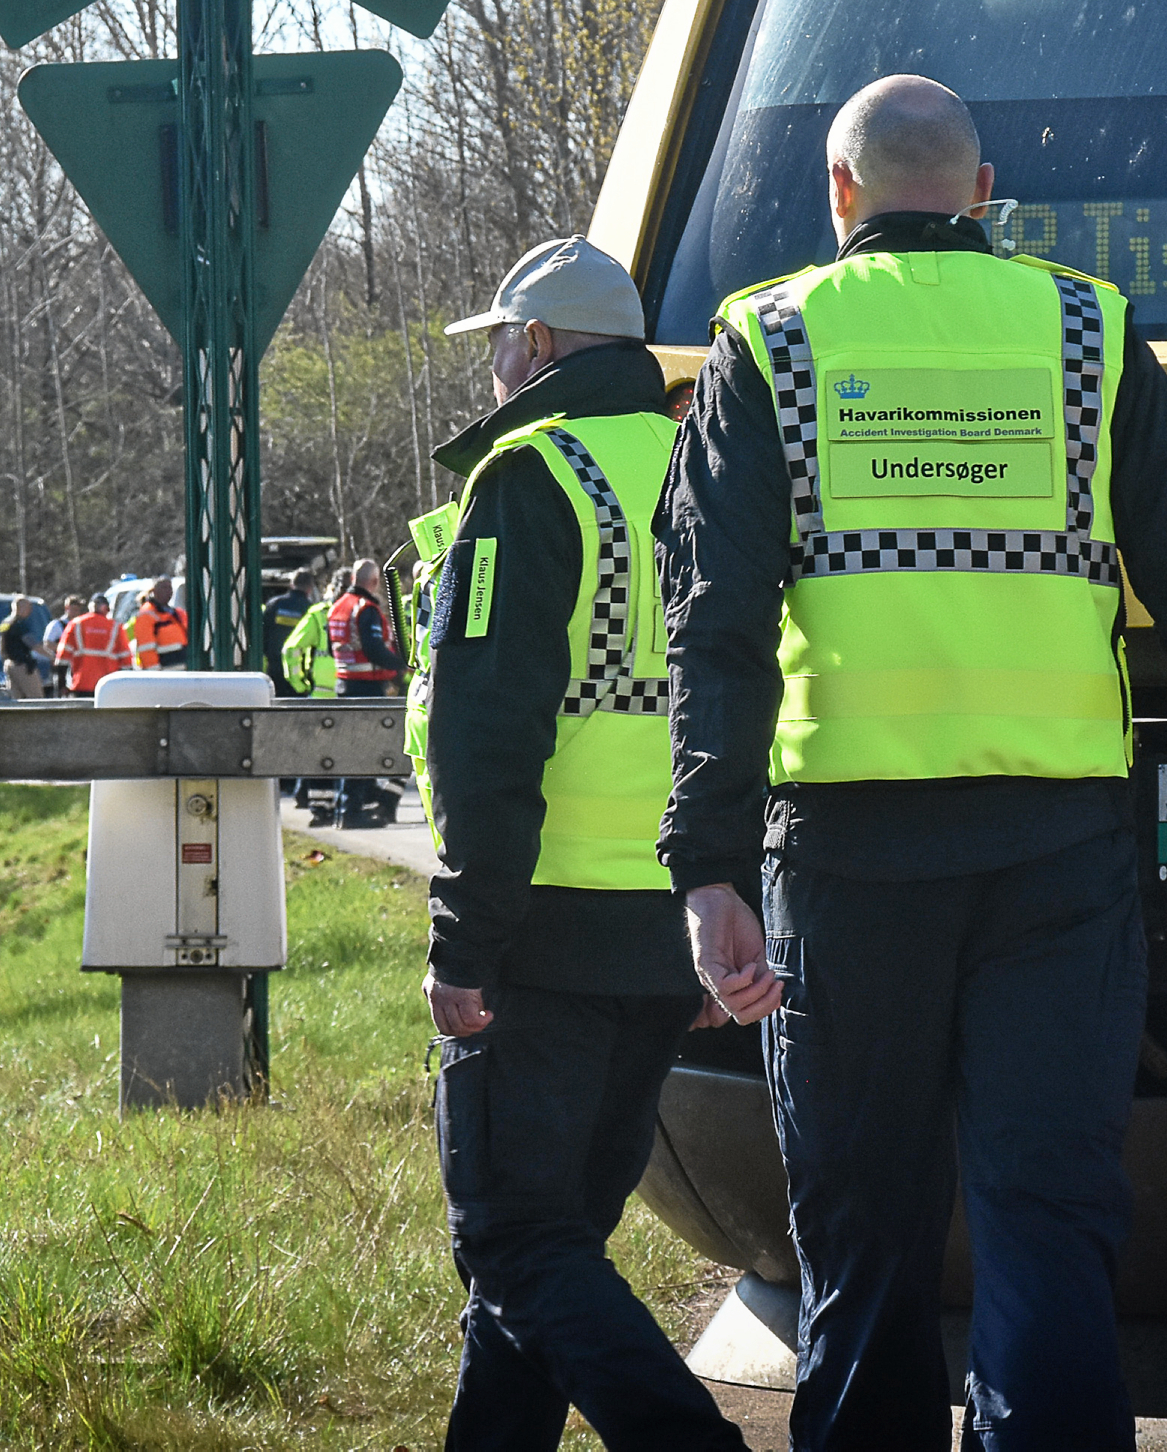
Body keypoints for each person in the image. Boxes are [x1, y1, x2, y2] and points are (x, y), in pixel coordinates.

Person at [657, 77, 1167, 1451]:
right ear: (981, 192)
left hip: (841, 867)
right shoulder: (1086, 328)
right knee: (1046, 1226)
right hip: (1059, 863)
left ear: (839, 193)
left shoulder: (768, 338)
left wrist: (708, 866)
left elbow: (713, 632)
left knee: (861, 1236)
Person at [416, 237, 752, 1452]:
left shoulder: (533, 474)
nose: (496, 365)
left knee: (515, 1239)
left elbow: (488, 737)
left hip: (542, 930)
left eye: (502, 340)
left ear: (542, 345)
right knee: (547, 1253)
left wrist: (465, 938)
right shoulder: (707, 465)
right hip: (672, 923)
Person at [327, 556, 407, 826]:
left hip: (345, 684)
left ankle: (351, 807)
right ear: (373, 582)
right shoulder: (366, 608)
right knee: (363, 751)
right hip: (367, 685)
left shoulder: (337, 606)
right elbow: (374, 649)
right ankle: (351, 812)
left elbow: (334, 648)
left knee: (351, 748)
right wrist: (401, 665)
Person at [59, 591, 127, 697]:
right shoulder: (116, 627)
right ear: (107, 609)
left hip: (81, 685)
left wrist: (61, 685)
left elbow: (62, 658)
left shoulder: (76, 624)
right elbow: (126, 660)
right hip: (108, 686)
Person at [125, 579, 189, 670]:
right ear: (154, 591)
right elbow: (146, 649)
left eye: (170, 588)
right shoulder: (146, 614)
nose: (168, 591)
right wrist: (155, 676)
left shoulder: (176, 613)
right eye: (164, 587)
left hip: (181, 673)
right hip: (164, 677)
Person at [0, 595, 46, 700]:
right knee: (36, 698)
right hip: (22, 665)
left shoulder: (5, 623)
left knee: (16, 699)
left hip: (9, 664)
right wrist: (51, 656)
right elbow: (32, 644)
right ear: (21, 607)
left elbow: (1, 645)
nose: (30, 610)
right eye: (29, 607)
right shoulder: (20, 624)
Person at [41, 595, 80, 698]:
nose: (76, 612)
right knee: (60, 689)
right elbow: (47, 643)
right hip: (61, 664)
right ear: (67, 608)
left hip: (76, 664)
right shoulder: (57, 625)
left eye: (77, 609)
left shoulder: (79, 625)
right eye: (73, 609)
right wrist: (64, 649)